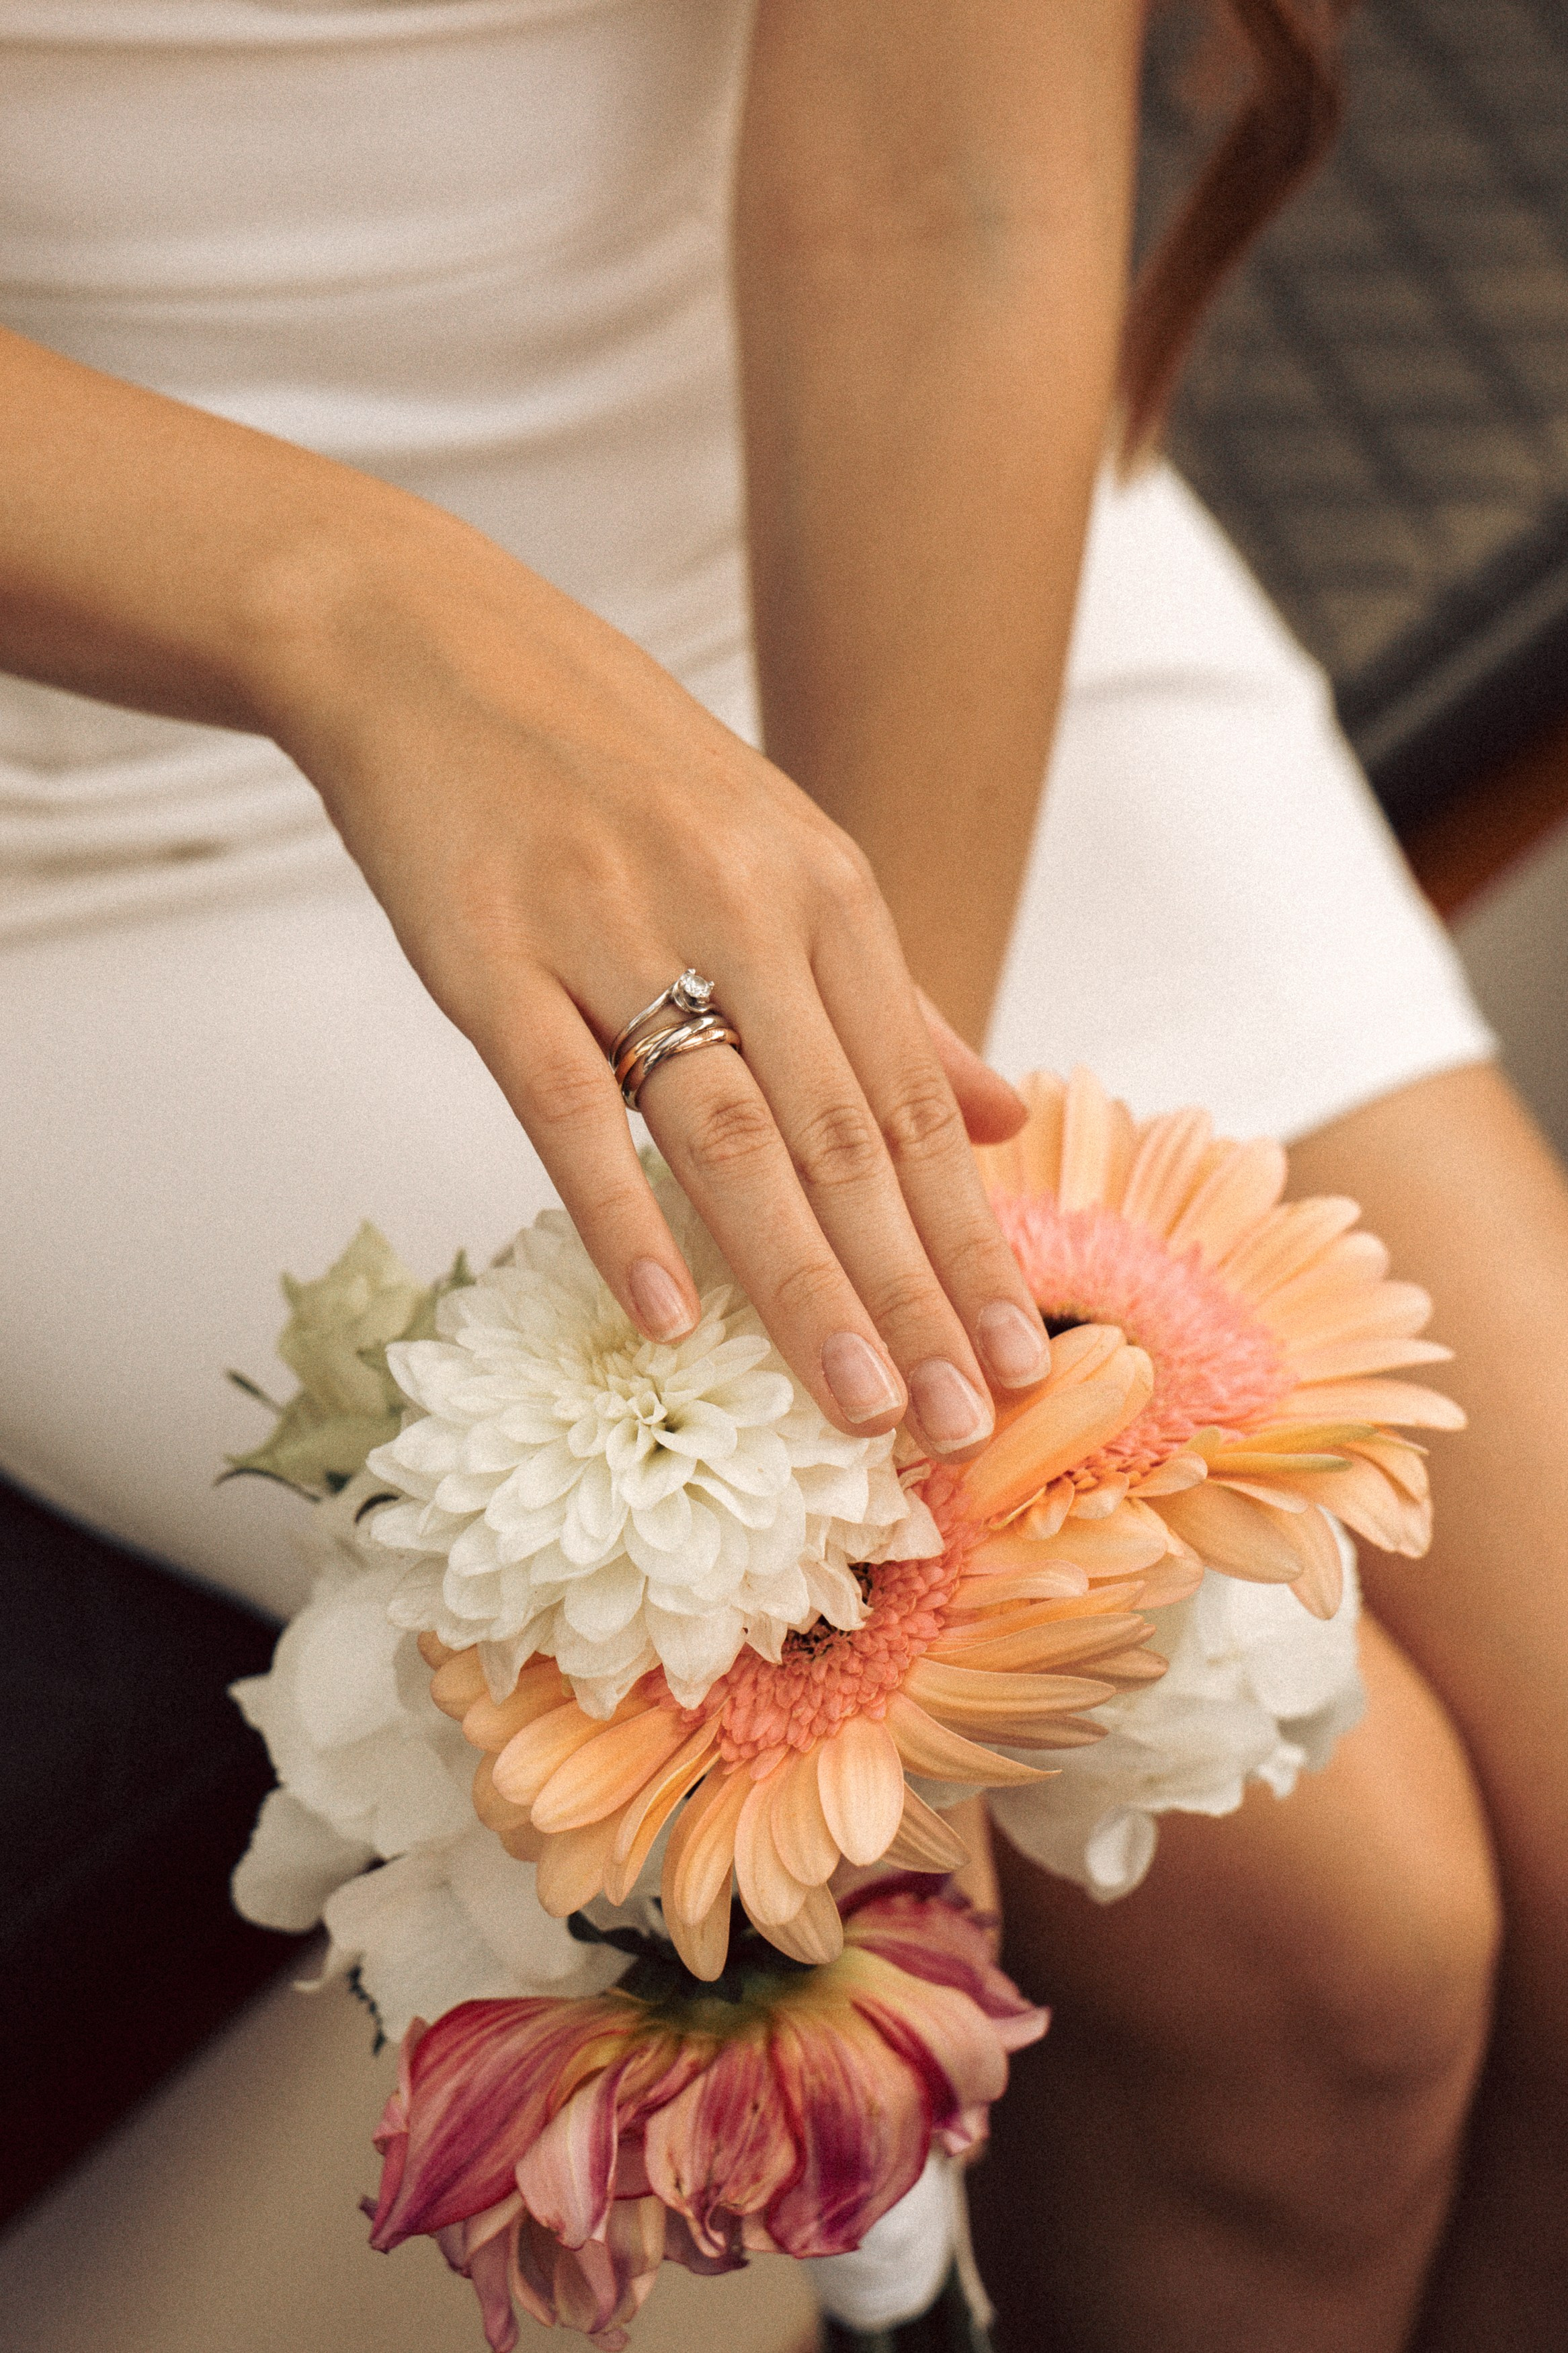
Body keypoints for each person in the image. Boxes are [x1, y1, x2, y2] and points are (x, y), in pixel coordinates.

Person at [0, 3, 1561, 2348]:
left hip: (855, 498)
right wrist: (358, 604)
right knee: (1333, 1954)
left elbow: (951, 195)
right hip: (104, 780)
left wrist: (857, 1241)